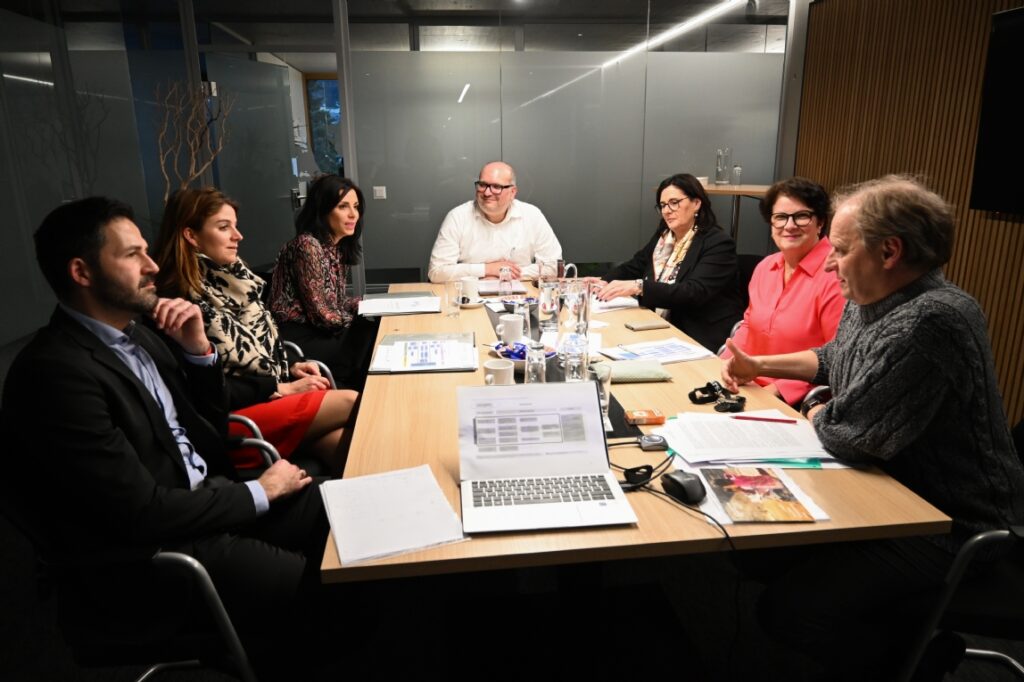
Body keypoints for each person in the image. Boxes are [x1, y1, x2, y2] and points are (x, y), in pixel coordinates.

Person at [721, 176, 1024, 679]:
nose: (831, 263)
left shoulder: (931, 320)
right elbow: (833, 357)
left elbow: (851, 436)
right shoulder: (876, 299)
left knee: (789, 611)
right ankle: (892, 633)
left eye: (841, 249)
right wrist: (760, 365)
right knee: (758, 554)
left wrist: (814, 408)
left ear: (889, 252)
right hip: (894, 492)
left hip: (952, 525)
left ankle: (913, 662)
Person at [0, 197, 327, 653]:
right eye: (132, 254)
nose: (152, 265)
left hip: (210, 500)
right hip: (162, 552)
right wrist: (261, 491)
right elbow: (141, 513)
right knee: (329, 594)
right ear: (82, 272)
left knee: (341, 511)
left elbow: (210, 424)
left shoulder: (139, 336)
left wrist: (198, 352)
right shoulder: (55, 374)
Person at [154, 187, 359, 474]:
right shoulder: (178, 303)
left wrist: (291, 366)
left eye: (235, 226)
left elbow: (263, 344)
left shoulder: (235, 280)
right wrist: (279, 387)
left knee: (342, 443)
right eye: (224, 227)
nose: (238, 236)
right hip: (234, 418)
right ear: (191, 235)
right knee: (353, 401)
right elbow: (202, 390)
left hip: (267, 399)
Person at [721, 177, 844, 405]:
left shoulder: (837, 275)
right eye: (780, 217)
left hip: (801, 399)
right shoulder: (765, 267)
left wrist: (778, 390)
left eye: (801, 216)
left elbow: (838, 356)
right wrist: (725, 363)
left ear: (820, 222)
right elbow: (749, 326)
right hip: (749, 385)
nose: (789, 226)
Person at [595, 173, 744, 352]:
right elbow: (636, 265)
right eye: (663, 205)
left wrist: (639, 286)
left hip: (698, 334)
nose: (667, 210)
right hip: (660, 325)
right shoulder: (665, 237)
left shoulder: (718, 243)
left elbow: (693, 292)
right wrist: (603, 281)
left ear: (696, 203)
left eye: (674, 202)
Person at [270, 174, 376, 391]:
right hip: (297, 337)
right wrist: (358, 316)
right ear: (323, 209)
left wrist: (370, 305)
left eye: (356, 206)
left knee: (372, 327)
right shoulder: (307, 246)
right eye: (343, 206)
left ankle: (362, 392)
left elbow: (336, 302)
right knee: (369, 335)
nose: (353, 214)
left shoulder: (336, 247)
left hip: (318, 329)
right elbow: (322, 316)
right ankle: (358, 396)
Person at [427, 161, 563, 282]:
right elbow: (436, 272)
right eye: (482, 185)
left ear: (512, 192)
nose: (487, 193)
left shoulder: (532, 215)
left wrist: (505, 274)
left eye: (496, 187)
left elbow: (554, 267)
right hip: (470, 296)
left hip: (521, 297)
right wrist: (486, 270)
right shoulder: (457, 217)